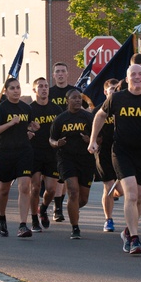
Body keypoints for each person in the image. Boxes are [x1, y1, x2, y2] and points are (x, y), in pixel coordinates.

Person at [88, 64, 141, 255]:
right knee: (131, 195)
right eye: (133, 74)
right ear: (127, 79)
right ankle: (135, 239)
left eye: (139, 74)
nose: (137, 77)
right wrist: (93, 139)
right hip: (121, 152)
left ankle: (128, 231)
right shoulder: (117, 98)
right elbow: (100, 115)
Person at [0, 78, 36, 238]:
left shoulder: (26, 108)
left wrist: (32, 127)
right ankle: (2, 217)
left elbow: (28, 125)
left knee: (24, 187)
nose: (16, 90)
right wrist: (9, 124)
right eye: (12, 88)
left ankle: (23, 225)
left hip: (24, 151)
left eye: (18, 87)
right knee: (3, 190)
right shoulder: (1, 109)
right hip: (5, 152)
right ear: (6, 91)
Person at [49, 88, 95, 239]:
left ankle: (72, 208)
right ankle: (75, 228)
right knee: (73, 191)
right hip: (66, 158)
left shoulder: (88, 117)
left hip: (85, 159)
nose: (77, 100)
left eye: (79, 98)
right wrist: (57, 143)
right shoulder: (61, 119)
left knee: (83, 199)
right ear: (67, 100)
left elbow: (98, 138)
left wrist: (91, 140)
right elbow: (51, 139)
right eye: (74, 98)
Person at [28, 78, 61, 231]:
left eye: (46, 86)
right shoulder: (29, 109)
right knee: (35, 188)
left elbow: (63, 128)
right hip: (34, 152)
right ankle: (34, 218)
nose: (44, 89)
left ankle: (43, 208)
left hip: (52, 153)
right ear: (34, 90)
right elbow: (21, 129)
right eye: (40, 86)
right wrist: (29, 130)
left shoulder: (56, 109)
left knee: (51, 189)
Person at [46, 62, 73, 220]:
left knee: (63, 176)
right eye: (57, 72)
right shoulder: (49, 93)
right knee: (55, 175)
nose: (60, 74)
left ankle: (58, 207)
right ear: (54, 75)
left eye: (63, 71)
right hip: (52, 137)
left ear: (68, 74)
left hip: (70, 138)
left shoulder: (74, 92)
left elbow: (85, 111)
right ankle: (56, 206)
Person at [93, 79, 120, 233]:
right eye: (111, 89)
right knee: (108, 186)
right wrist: (94, 140)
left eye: (116, 89)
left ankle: (117, 192)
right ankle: (108, 219)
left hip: (122, 151)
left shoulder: (123, 108)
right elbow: (91, 132)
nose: (114, 92)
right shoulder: (98, 110)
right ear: (105, 92)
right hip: (104, 153)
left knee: (123, 189)